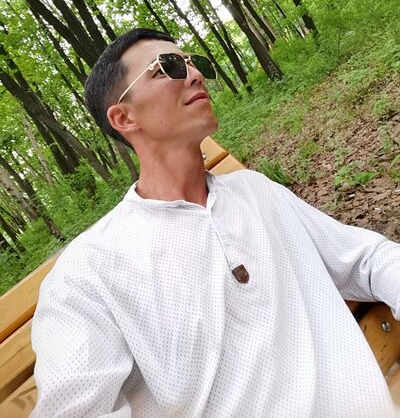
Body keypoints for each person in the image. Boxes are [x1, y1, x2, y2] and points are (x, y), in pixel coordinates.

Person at [31, 28, 400, 417]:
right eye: (166, 67)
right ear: (124, 117)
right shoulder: (89, 271)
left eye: (194, 62)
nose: (194, 74)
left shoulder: (255, 190)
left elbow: (367, 259)